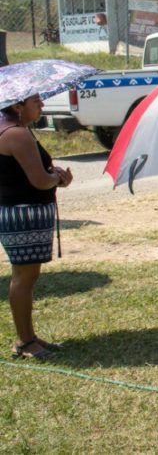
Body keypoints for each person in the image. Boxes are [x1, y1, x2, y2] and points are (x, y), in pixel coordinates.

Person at [0, 94, 72, 360]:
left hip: (20, 212)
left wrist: (55, 178)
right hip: (23, 214)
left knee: (26, 277)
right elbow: (40, 180)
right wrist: (58, 178)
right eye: (36, 101)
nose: (42, 105)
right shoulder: (17, 134)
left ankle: (28, 336)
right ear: (18, 107)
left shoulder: (13, 130)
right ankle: (24, 340)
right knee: (24, 278)